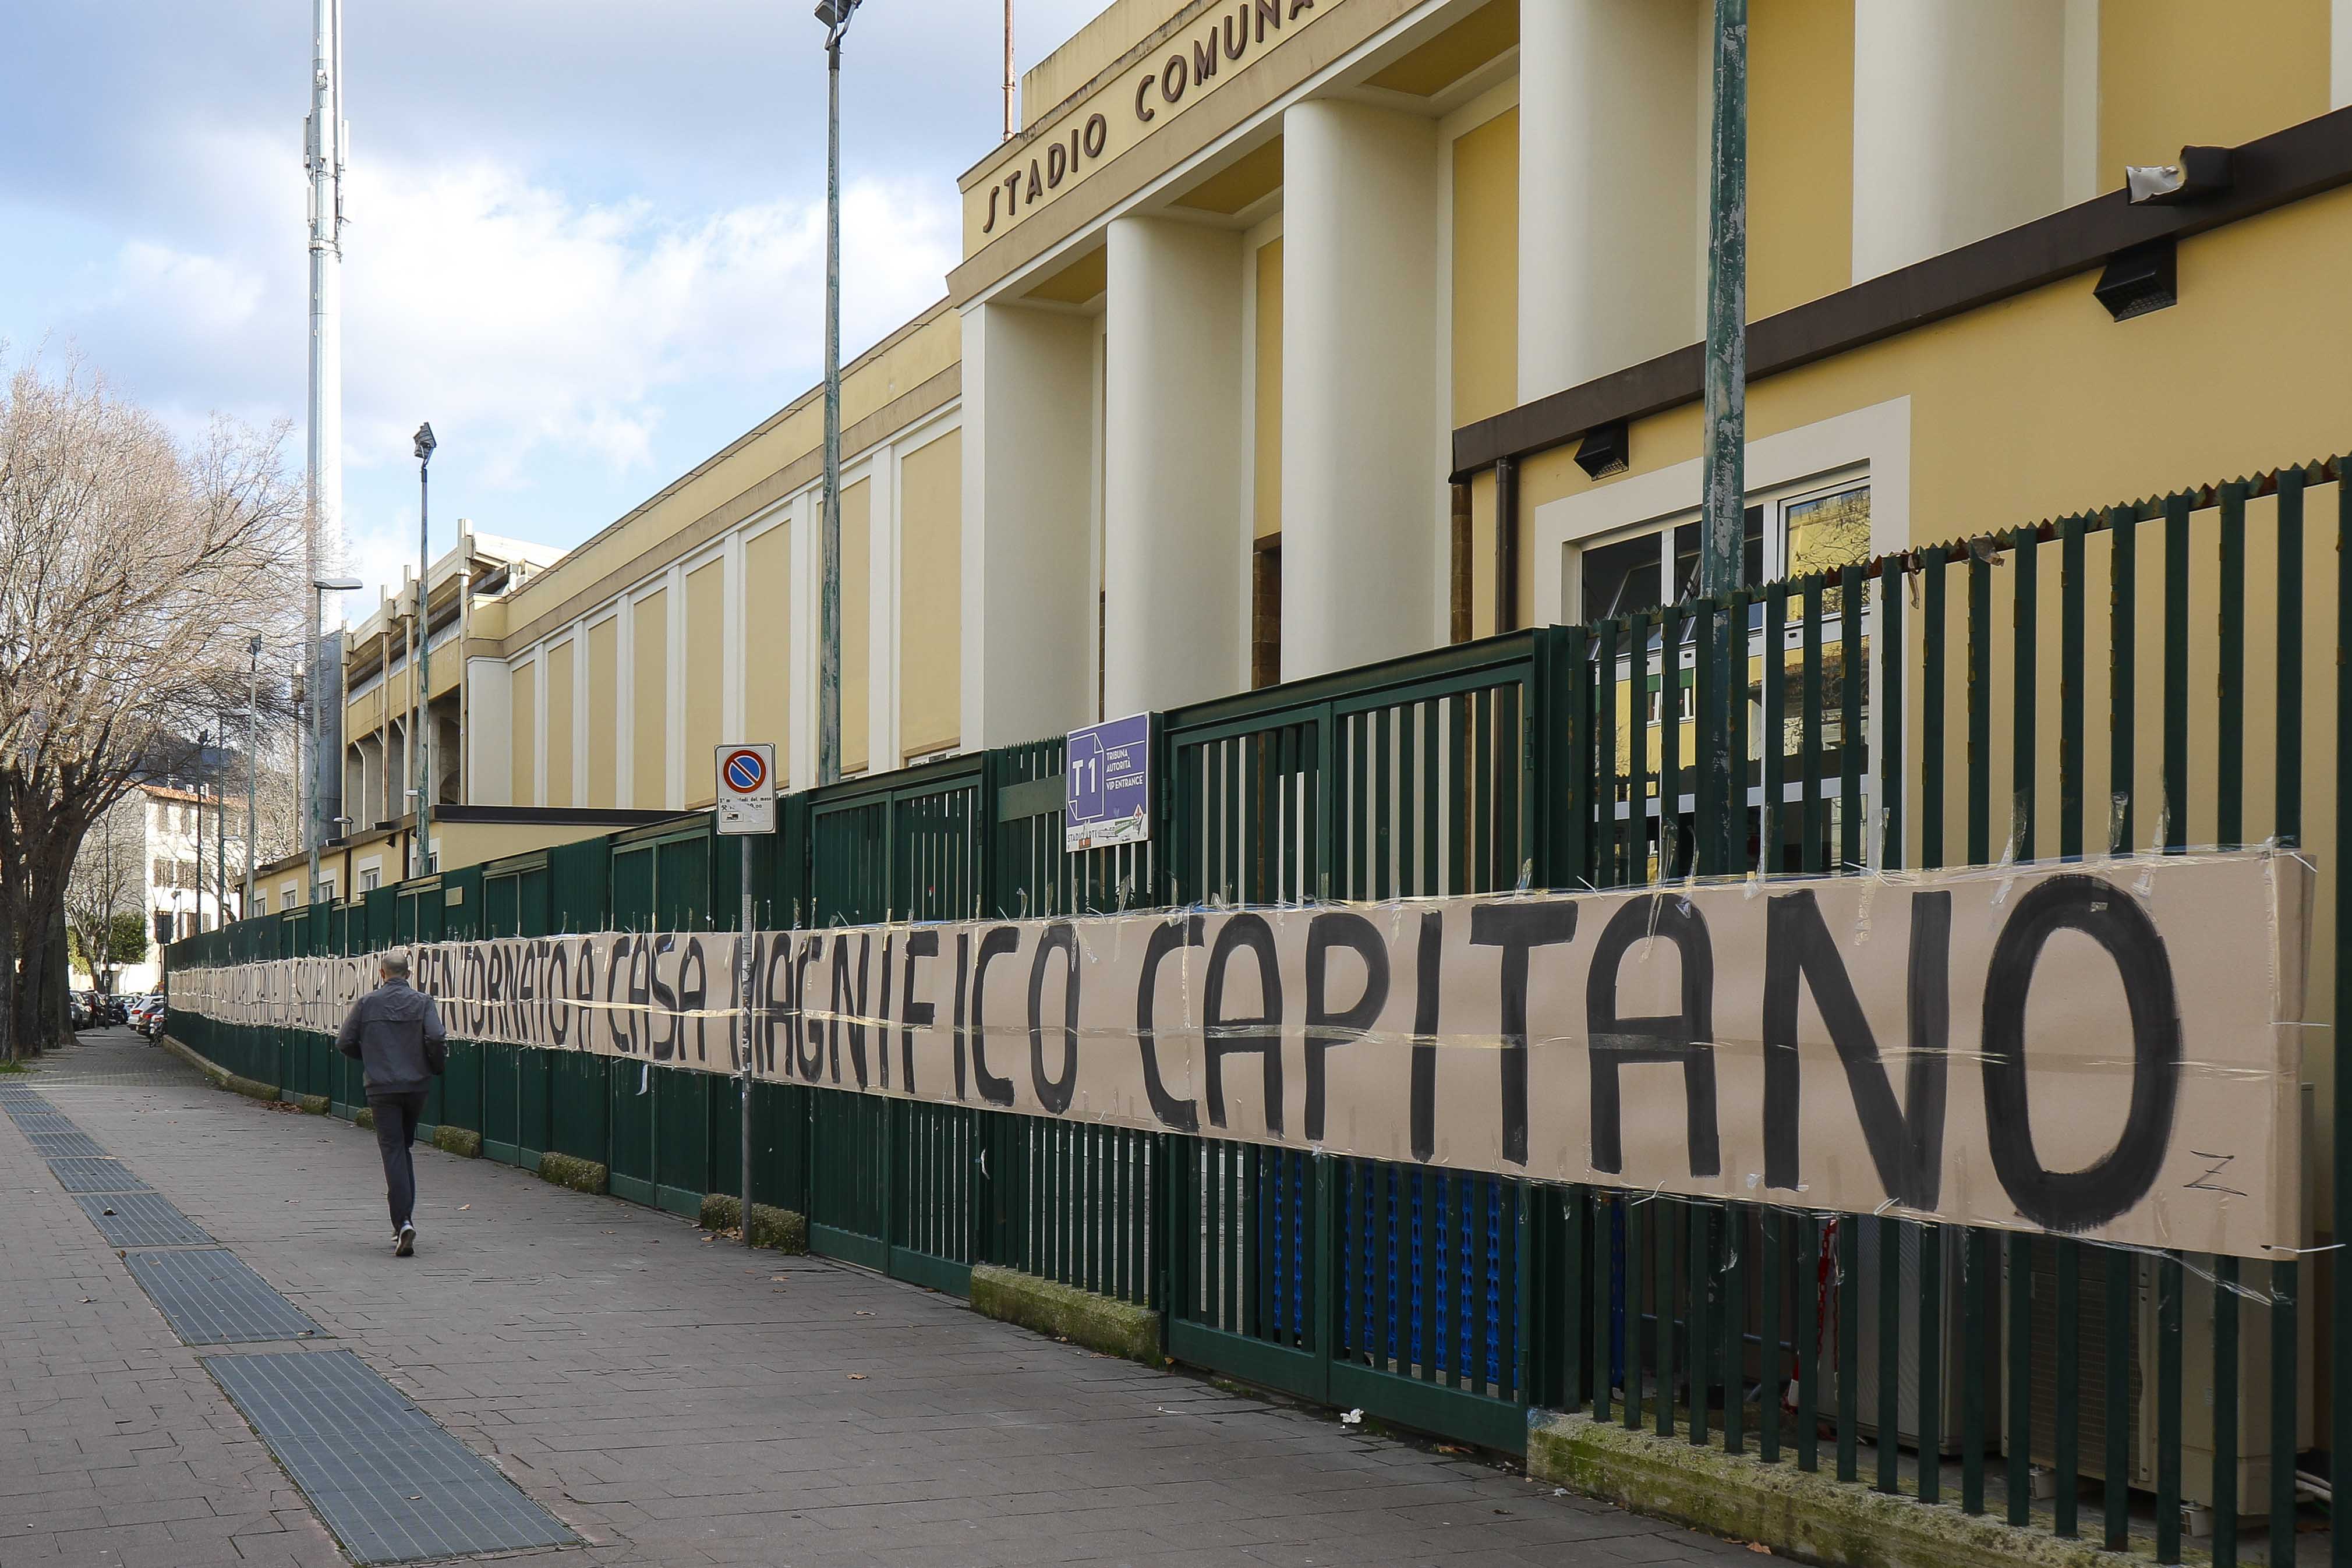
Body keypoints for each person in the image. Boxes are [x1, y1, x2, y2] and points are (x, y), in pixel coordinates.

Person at [335, 949, 447, 1256]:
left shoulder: (367, 1003)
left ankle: (403, 1223)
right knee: (405, 1147)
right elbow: (436, 1037)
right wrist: (433, 1066)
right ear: (408, 974)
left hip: (381, 1088)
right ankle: (404, 1221)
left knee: (394, 1150)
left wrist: (372, 1059)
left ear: (382, 974)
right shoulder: (423, 1002)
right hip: (416, 1087)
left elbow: (344, 1041)